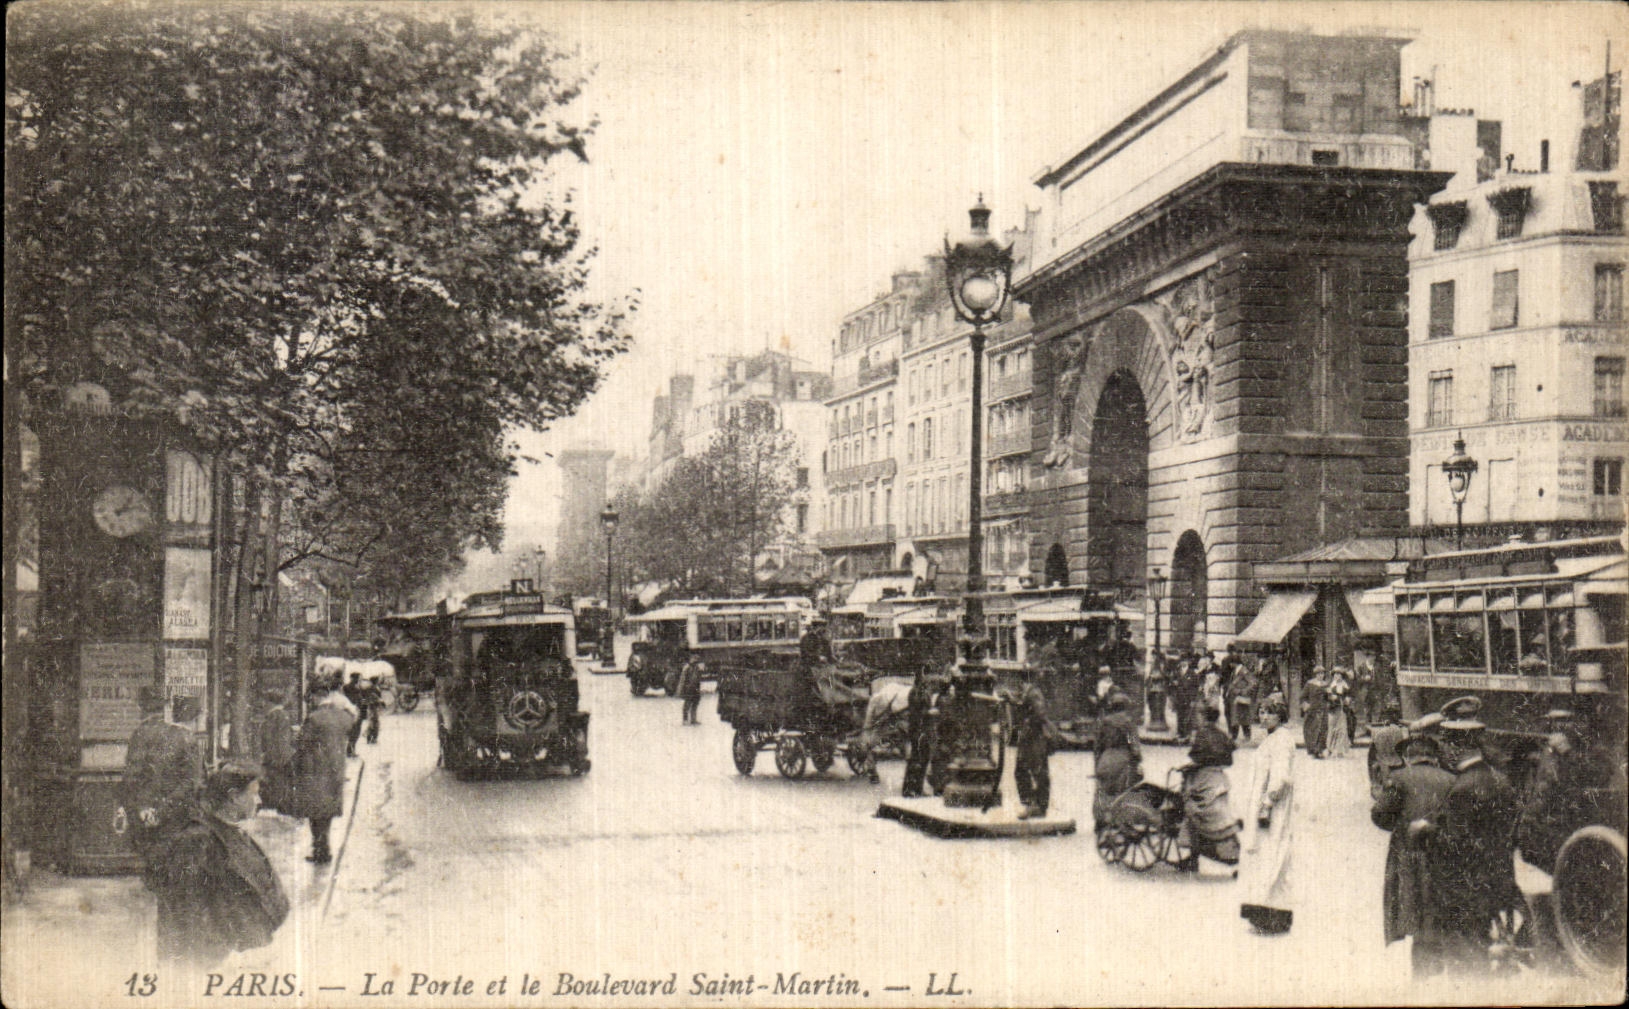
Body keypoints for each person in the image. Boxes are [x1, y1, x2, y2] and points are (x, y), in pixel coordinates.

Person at [143, 760, 289, 974]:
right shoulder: (198, 841)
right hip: (211, 966)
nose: (258, 801)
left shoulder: (230, 832)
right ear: (233, 796)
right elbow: (187, 914)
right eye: (253, 793)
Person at [1415, 696, 1523, 975]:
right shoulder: (1501, 779)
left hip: (1465, 889)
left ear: (1453, 746)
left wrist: (1427, 830)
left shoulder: (1463, 788)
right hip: (1498, 878)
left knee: (1467, 960)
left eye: (1446, 745)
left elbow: (1456, 843)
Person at [1371, 733, 1455, 976]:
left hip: (1409, 854)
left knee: (1415, 913)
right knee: (1437, 913)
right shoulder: (1451, 780)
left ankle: (1424, 976)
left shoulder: (1399, 778)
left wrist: (1399, 826)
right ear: (1433, 757)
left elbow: (1379, 815)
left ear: (1408, 757)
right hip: (1442, 854)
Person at [123, 690, 203, 871]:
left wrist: (146, 806)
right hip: (178, 811)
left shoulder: (150, 734)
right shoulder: (184, 738)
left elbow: (139, 775)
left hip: (154, 809)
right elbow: (192, 782)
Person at [1240, 698, 1297, 934]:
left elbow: (1281, 776)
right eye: (1262, 712)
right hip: (1267, 804)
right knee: (1268, 855)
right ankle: (1267, 912)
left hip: (1274, 808)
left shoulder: (1282, 740)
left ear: (1279, 716)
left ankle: (1271, 914)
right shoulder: (1273, 738)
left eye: (1270, 713)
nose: (1264, 717)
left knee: (1272, 854)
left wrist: (1268, 802)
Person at [292, 678, 354, 865]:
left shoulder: (315, 718)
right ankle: (323, 848)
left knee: (316, 814)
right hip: (335, 770)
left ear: (318, 696)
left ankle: (321, 851)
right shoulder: (342, 715)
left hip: (316, 770)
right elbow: (350, 725)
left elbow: (302, 742)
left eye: (310, 697)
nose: (309, 701)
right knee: (326, 813)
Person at [1180, 707, 1239, 872]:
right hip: (1219, 780)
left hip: (1202, 779)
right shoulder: (1222, 735)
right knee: (1219, 818)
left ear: (1204, 718)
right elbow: (1229, 759)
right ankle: (1230, 852)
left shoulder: (1202, 734)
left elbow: (1195, 757)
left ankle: (1193, 858)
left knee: (1192, 812)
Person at [1092, 693, 1142, 828]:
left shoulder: (1104, 722)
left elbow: (1097, 746)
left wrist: (1097, 764)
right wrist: (1138, 760)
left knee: (1102, 790)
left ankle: (1100, 820)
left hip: (1105, 758)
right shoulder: (1128, 722)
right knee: (1125, 790)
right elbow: (1133, 744)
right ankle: (1123, 820)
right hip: (1122, 759)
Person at [1011, 681, 1054, 820]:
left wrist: (1028, 723)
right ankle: (1033, 804)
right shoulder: (1029, 693)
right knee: (1023, 770)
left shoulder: (1034, 693)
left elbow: (1039, 713)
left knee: (1037, 771)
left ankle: (1037, 806)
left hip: (1035, 738)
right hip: (1029, 737)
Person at [255, 686, 296, 815]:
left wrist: (269, 757)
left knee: (277, 784)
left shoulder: (275, 716)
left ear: (270, 702)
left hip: (276, 759)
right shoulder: (281, 715)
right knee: (279, 785)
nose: (263, 704)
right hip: (280, 758)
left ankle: (279, 807)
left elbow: (271, 739)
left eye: (265, 701)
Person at [901, 670, 934, 798]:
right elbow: (918, 711)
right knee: (917, 760)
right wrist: (929, 712)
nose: (928, 682)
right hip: (918, 731)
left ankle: (916, 789)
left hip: (920, 730)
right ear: (921, 681)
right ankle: (911, 789)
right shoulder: (916, 693)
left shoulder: (918, 692)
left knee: (921, 760)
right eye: (926, 680)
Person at [1367, 703, 1409, 799]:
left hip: (1383, 761)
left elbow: (1372, 752)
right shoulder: (1402, 731)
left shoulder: (1378, 732)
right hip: (1398, 761)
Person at [1226, 659, 1258, 743]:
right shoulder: (1235, 671)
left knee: (1243, 718)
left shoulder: (1243, 671)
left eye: (1231, 662)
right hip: (1234, 698)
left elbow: (1253, 683)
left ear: (1235, 663)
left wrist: (1243, 691)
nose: (1230, 665)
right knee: (1235, 718)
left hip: (1241, 698)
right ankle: (1234, 736)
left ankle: (1246, 736)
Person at [1301, 667, 1329, 758]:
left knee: (1322, 730)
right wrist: (1306, 705)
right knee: (1312, 730)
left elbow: (1328, 697)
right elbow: (1303, 697)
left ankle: (1319, 750)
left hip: (1323, 710)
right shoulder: (1310, 684)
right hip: (1312, 711)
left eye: (1322, 674)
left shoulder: (1325, 684)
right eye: (1319, 674)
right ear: (1315, 674)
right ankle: (1313, 750)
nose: (1321, 676)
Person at [1325, 667, 1352, 758]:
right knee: (1331, 729)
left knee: (1342, 729)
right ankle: (1329, 748)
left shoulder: (1345, 686)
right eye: (1335, 674)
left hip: (1342, 710)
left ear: (1342, 676)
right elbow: (1327, 697)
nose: (1337, 676)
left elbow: (1349, 696)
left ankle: (1340, 750)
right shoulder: (1330, 685)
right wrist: (1331, 698)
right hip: (1332, 710)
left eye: (1339, 674)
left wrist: (1347, 700)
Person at [341, 671, 367, 757]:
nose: (360, 680)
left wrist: (363, 704)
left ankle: (351, 750)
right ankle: (350, 750)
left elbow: (362, 699)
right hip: (352, 711)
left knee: (356, 731)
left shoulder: (359, 687)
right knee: (353, 732)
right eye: (358, 678)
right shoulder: (348, 687)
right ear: (353, 678)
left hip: (358, 711)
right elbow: (350, 699)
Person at [678, 656, 703, 726]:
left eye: (696, 659)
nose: (695, 661)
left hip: (695, 688)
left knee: (695, 703)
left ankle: (693, 719)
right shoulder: (687, 668)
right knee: (687, 704)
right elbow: (683, 680)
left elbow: (698, 678)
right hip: (688, 689)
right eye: (694, 659)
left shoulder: (697, 668)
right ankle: (685, 720)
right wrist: (682, 689)